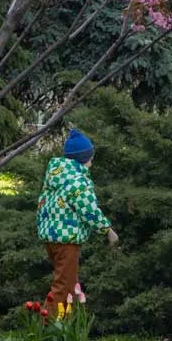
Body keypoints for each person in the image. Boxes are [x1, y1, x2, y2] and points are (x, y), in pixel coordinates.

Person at [36, 129, 118, 316]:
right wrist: (107, 231)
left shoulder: (56, 176)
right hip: (67, 240)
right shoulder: (78, 181)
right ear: (83, 158)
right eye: (90, 158)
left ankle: (67, 326)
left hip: (51, 237)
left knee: (70, 286)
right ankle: (47, 329)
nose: (92, 162)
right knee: (63, 287)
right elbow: (89, 211)